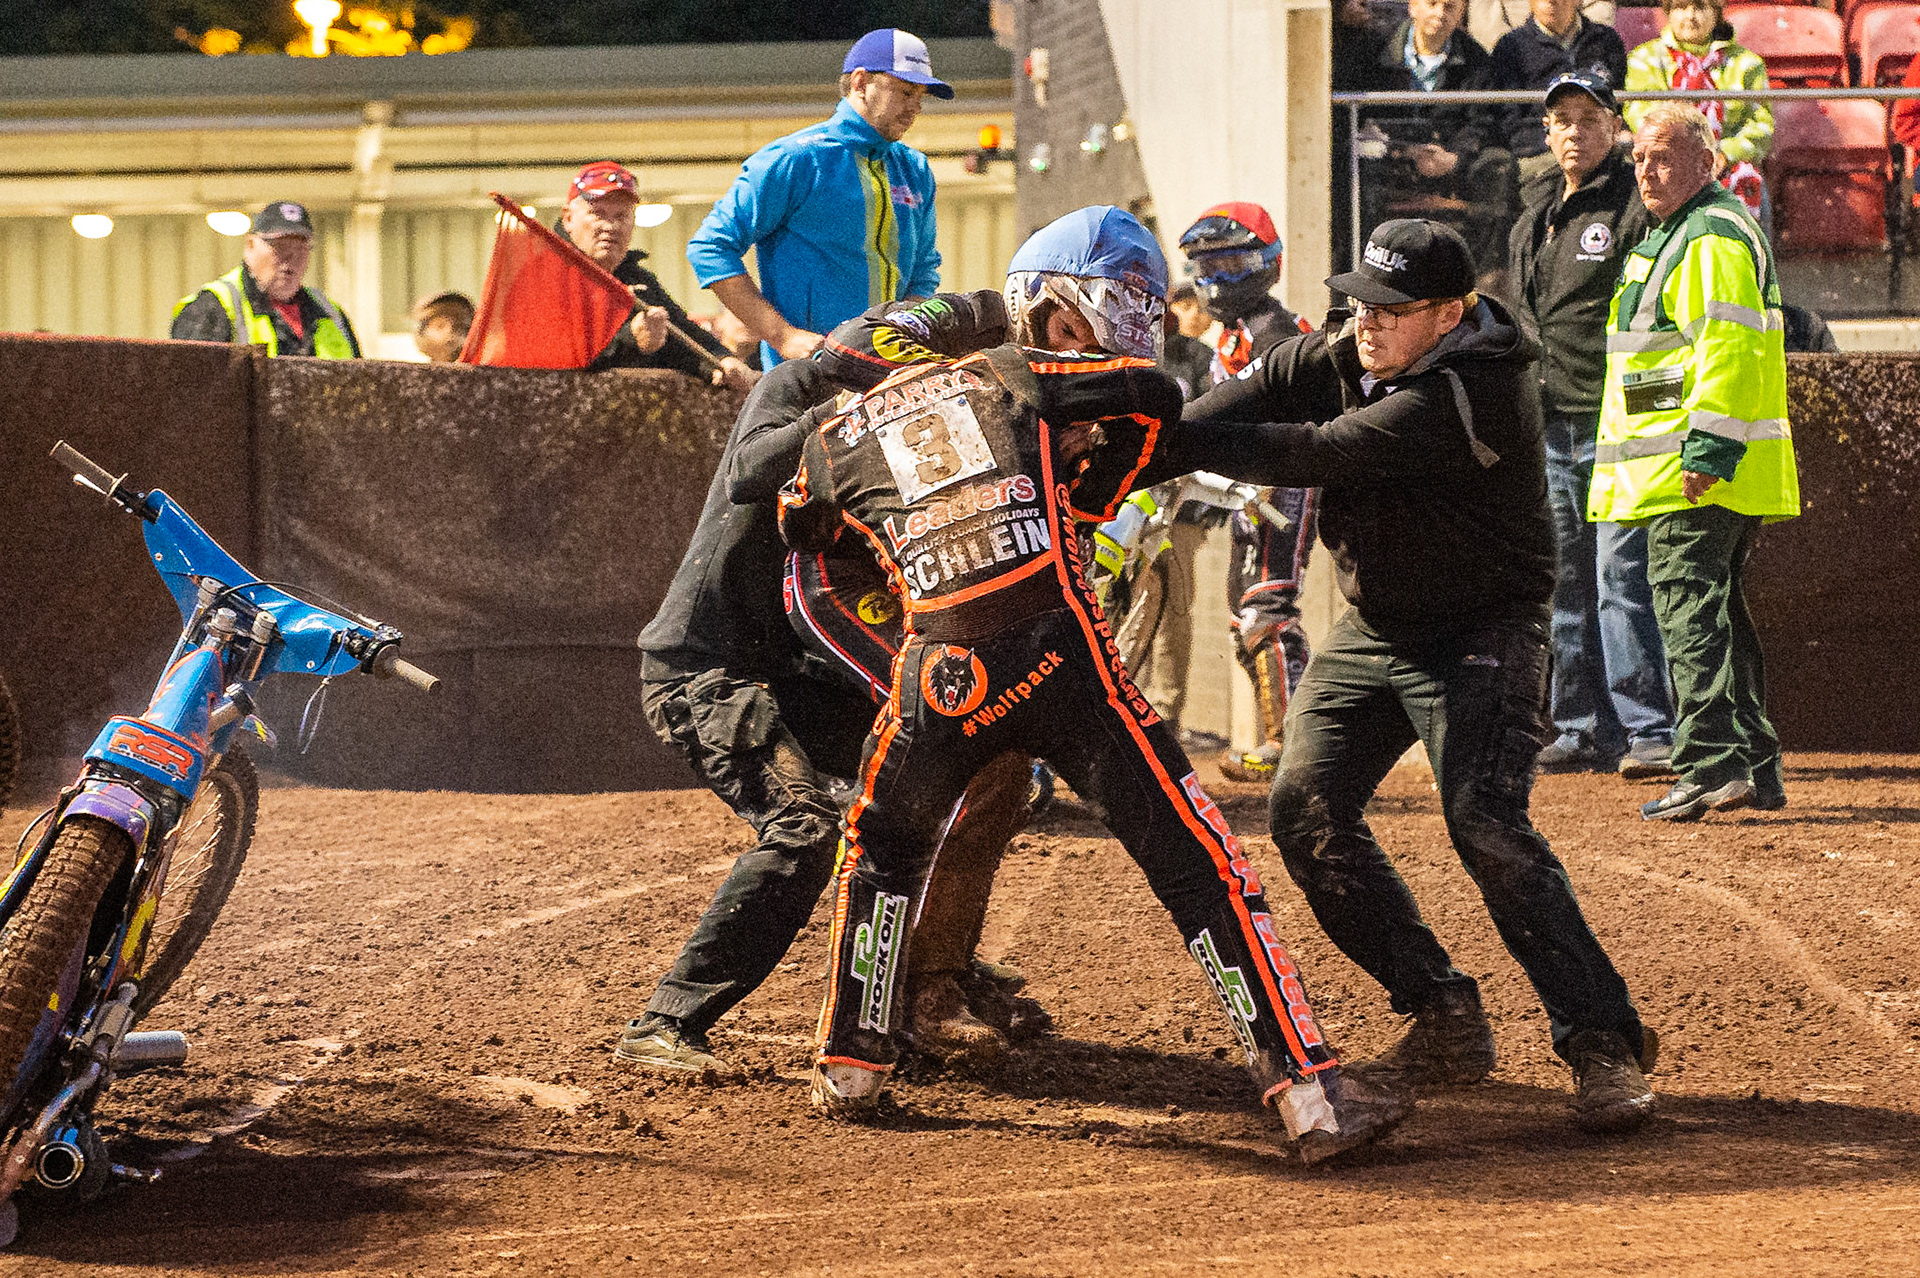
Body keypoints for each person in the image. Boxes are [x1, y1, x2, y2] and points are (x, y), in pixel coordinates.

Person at [788, 206, 1411, 1164]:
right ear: (1040, 306)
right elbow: (1154, 394)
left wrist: (899, 613)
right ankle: (1309, 1098)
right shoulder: (1034, 379)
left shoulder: (853, 419)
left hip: (937, 664)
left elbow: (801, 540)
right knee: (1201, 864)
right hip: (1060, 654)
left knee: (882, 848)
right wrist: (1088, 468)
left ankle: (852, 1063)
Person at [1180, 218, 1658, 1134]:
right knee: (1305, 811)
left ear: (1449, 314)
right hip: (1380, 628)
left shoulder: (1471, 391)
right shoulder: (1350, 352)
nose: (1366, 322)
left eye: (1391, 309)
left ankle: (1603, 1040)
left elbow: (1319, 455)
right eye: (1360, 301)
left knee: (1486, 824)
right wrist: (1149, 437)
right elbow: (1240, 399)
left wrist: (1174, 452)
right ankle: (1441, 1013)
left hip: (1484, 630)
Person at [620, 291, 1035, 1075]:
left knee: (972, 768)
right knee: (804, 827)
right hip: (701, 674)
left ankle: (933, 973)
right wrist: (854, 411)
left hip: (796, 674)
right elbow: (749, 472)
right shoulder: (799, 389)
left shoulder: (904, 428)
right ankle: (665, 1020)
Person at [1592, 105, 1799, 822]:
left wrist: (1706, 449)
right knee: (1721, 619)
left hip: (1698, 470)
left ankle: (1711, 768)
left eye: (1666, 157)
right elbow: (1678, 362)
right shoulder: (1684, 231)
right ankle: (1755, 767)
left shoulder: (1705, 237)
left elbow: (1727, 350)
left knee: (1687, 614)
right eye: (1641, 159)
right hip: (1706, 467)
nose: (1648, 171)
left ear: (1705, 164)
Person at [1508, 71, 1674, 779]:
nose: (1573, 131)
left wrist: (1655, 420)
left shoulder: (1634, 205)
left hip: (1616, 421)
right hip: (1548, 423)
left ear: (1614, 126)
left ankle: (1649, 730)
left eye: (1587, 117)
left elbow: (1660, 309)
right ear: (1546, 134)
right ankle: (1578, 727)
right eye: (1561, 120)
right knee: (1566, 579)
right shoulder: (1533, 214)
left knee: (1620, 576)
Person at [687, 28, 946, 368]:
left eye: (921, 97)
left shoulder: (915, 168)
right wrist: (783, 335)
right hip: (808, 377)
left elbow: (924, 270)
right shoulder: (794, 159)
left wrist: (907, 333)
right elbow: (710, 248)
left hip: (889, 376)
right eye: (905, 91)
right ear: (860, 83)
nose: (915, 108)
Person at [1178, 203, 1317, 783]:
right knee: (1248, 612)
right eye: (1207, 266)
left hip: (1283, 478)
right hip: (1251, 483)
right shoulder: (1235, 336)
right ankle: (1290, 740)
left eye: (1234, 263)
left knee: (1267, 609)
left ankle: (1298, 746)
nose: (1217, 279)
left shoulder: (1276, 334)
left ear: (1267, 264)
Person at [559, 161, 756, 391]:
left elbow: (682, 332)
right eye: (598, 213)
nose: (610, 226)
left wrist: (722, 360)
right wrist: (631, 340)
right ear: (568, 218)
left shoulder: (637, 279)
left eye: (621, 216)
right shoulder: (543, 276)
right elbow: (555, 351)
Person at [1363, 0, 1519, 281]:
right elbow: (1368, 119)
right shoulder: (1377, 53)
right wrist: (1405, 151)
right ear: (1412, 6)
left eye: (1449, 6)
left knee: (1498, 165)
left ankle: (1482, 281)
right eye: (1432, 3)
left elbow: (1482, 121)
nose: (1440, 14)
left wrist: (1455, 157)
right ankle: (1369, 276)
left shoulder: (1476, 60)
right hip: (1394, 159)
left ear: (1462, 12)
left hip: (1452, 162)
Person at [1622, 0, 1773, 224]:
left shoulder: (1747, 64)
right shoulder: (1644, 59)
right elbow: (1641, 117)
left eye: (1701, 7)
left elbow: (1761, 127)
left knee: (1752, 186)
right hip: (1665, 161)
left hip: (1726, 166)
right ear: (1668, 13)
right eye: (1681, 7)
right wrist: (1686, 157)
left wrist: (1723, 155)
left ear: (1716, 14)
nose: (1690, 16)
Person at [170, 201, 361, 358]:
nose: (291, 258)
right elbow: (191, 392)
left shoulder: (331, 314)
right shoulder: (213, 308)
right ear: (250, 246)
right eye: (280, 246)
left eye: (301, 247)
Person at [1488, 0, 1629, 185]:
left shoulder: (1607, 40)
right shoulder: (1510, 47)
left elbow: (1617, 103)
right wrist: (1557, 140)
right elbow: (1509, 120)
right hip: (1539, 153)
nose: (1551, 1)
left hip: (1603, 145)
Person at [1469, 0, 1615, 56]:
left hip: (1581, 43)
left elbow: (1600, 8)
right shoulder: (1508, 47)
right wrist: (1523, 46)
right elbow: (1484, 22)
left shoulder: (1606, 40)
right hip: (1517, 49)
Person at [411, 290, 473, 363]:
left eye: (461, 324)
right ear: (421, 331)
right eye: (441, 325)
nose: (451, 330)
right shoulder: (411, 373)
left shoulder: (484, 371)